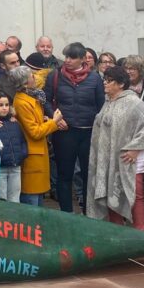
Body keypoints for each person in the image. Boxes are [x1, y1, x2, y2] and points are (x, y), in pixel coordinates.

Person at [86, 65, 144, 232]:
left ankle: (140, 233)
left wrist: (136, 148)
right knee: (113, 195)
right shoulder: (108, 102)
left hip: (130, 161)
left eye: (109, 80)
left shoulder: (134, 102)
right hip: (110, 160)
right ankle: (117, 232)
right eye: (104, 80)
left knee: (135, 195)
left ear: (121, 84)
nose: (105, 83)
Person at [47, 42, 105, 214]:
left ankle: (88, 212)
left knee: (88, 174)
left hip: (88, 132)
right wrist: (56, 118)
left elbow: (101, 105)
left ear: (82, 59)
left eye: (72, 57)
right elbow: (46, 100)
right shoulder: (55, 75)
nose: (67, 61)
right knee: (64, 174)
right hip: (65, 132)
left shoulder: (94, 78)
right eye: (66, 57)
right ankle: (66, 213)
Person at [11, 66, 61, 206]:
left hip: (38, 154)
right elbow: (35, 132)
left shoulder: (32, 97)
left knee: (38, 201)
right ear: (25, 82)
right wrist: (54, 122)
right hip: (32, 155)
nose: (35, 77)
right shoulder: (22, 102)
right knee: (32, 202)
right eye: (31, 76)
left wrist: (44, 120)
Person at [0, 89, 27, 202]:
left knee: (15, 199)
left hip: (15, 166)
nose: (5, 108)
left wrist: (22, 155)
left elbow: (22, 141)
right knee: (2, 199)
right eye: (0, 105)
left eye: (7, 105)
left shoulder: (14, 123)